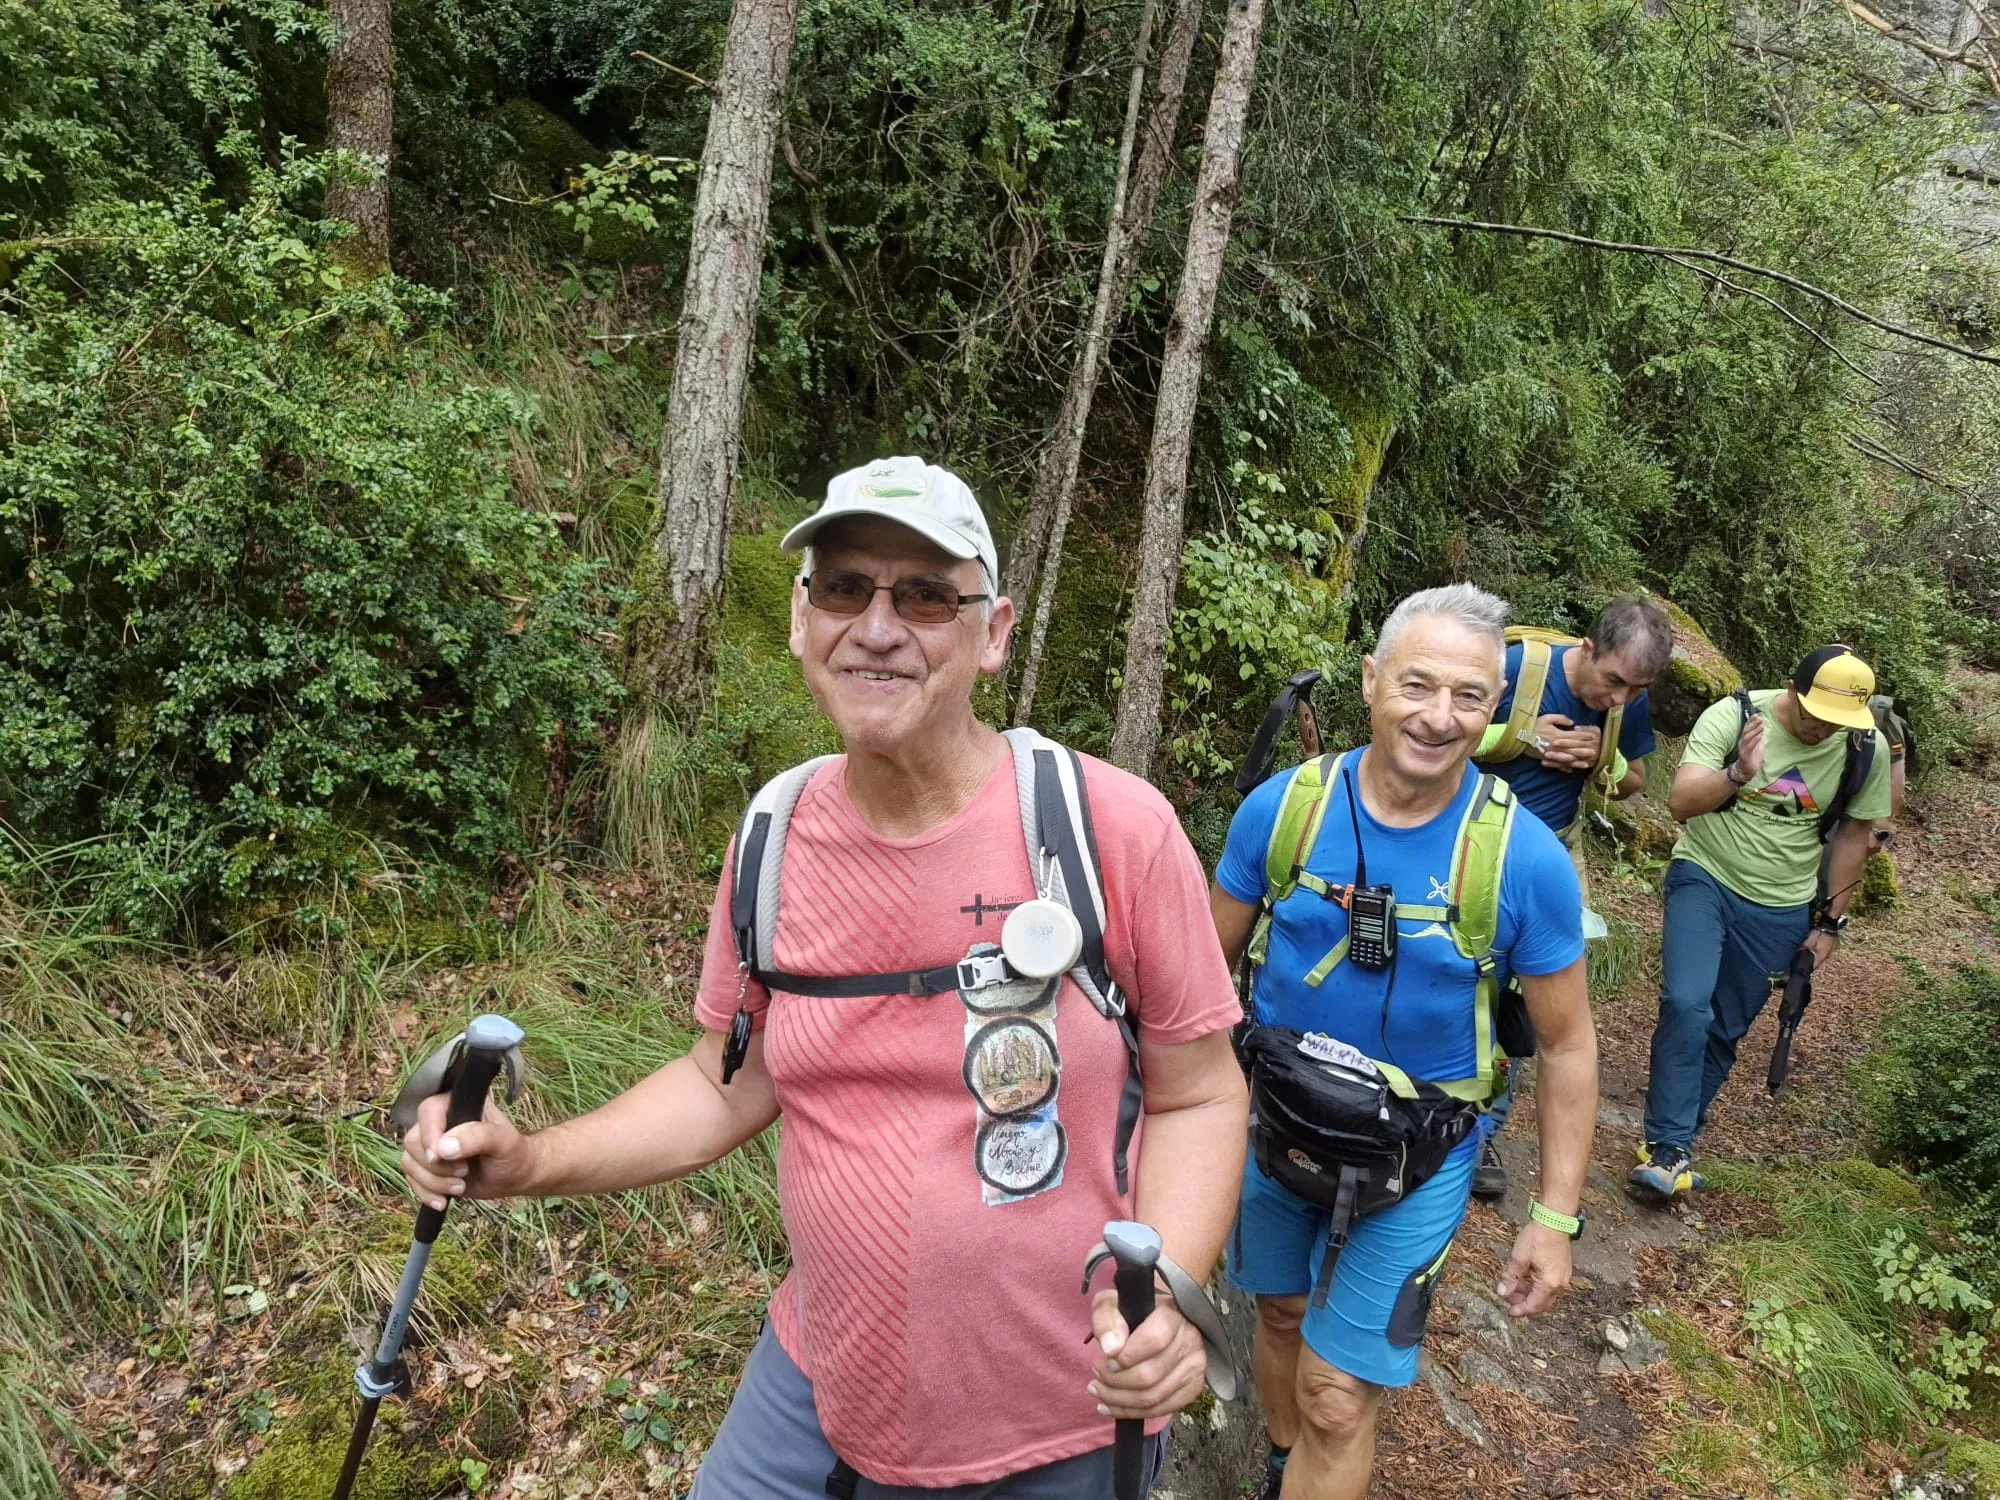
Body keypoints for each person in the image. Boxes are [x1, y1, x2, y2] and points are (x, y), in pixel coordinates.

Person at [401, 456, 1250, 1496]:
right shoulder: (774, 838)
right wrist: (530, 1161)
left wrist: (1169, 1295)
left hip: (1065, 1414)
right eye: (845, 588)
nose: (877, 627)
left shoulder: (1108, 829)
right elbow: (725, 1080)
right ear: (802, 620)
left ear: (992, 634)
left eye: (926, 595)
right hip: (818, 1386)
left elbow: (1200, 1092)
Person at [1210, 584, 1600, 1500]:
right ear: (1370, 680)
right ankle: (1280, 1469)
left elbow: (1569, 1044)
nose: (1438, 716)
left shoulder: (1524, 858)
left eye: (1469, 696)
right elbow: (1199, 973)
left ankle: (1308, 1455)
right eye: (1416, 684)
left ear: (1496, 709)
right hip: (1277, 1123)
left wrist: (1553, 1219)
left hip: (1419, 1155)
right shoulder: (1285, 811)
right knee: (1279, 1316)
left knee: (1336, 1395)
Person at [1629, 645, 1892, 1201]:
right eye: (1817, 714)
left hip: (1782, 906)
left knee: (1726, 1027)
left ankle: (1673, 1147)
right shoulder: (1735, 716)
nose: (1825, 729)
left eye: (1839, 721)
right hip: (1705, 875)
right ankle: (1669, 1143)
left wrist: (1830, 923)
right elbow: (1680, 802)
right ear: (1793, 691)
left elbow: (1853, 836)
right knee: (1687, 1003)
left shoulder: (1863, 747)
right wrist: (1738, 774)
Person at [1469, 596, 1674, 1199]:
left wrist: (1601, 757)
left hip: (1555, 858)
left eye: (1635, 689)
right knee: (1462, 980)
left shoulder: (1625, 704)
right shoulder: (1514, 666)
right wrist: (1520, 737)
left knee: (1524, 1002)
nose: (1619, 698)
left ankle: (1482, 1134)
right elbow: (1442, 732)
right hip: (1471, 848)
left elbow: (1634, 781)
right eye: (1613, 680)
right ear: (1587, 649)